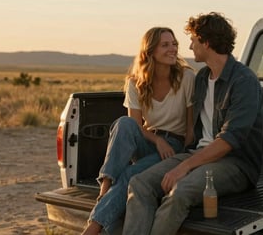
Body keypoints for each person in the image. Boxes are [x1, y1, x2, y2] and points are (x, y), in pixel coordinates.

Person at [122, 12, 263, 235]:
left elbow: (230, 140)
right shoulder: (200, 79)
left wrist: (184, 167)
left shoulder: (244, 80)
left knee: (180, 190)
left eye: (194, 40)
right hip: (197, 154)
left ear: (206, 42)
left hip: (234, 163)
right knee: (139, 184)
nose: (189, 47)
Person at [81, 27, 195, 235]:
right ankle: (105, 187)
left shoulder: (186, 77)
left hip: (174, 147)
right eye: (165, 45)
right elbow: (135, 125)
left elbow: (190, 128)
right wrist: (158, 141)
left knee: (131, 174)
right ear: (150, 51)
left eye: (174, 44)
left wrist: (183, 160)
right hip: (149, 141)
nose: (173, 49)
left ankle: (93, 227)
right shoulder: (136, 82)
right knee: (124, 123)